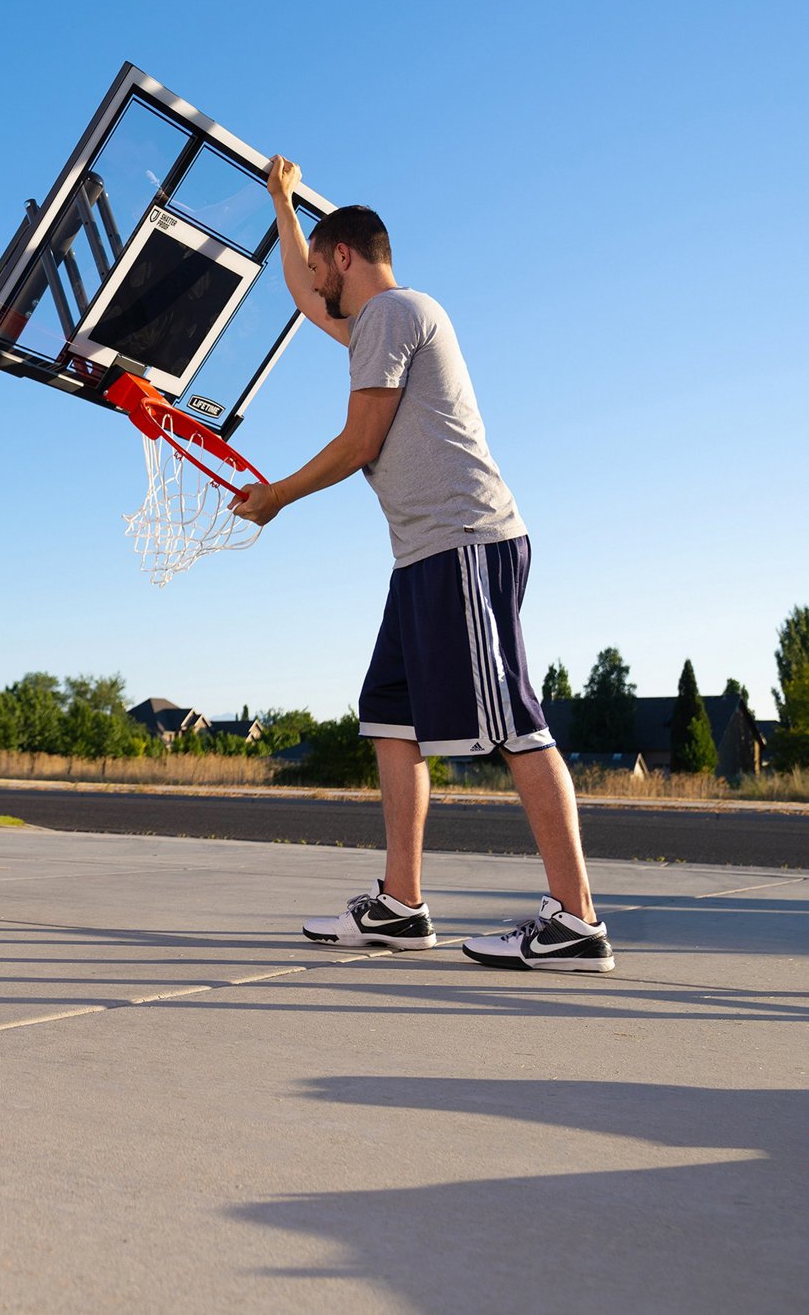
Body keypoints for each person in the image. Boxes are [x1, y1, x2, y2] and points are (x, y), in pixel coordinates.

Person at [230, 157, 614, 973]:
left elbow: (361, 443)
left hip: (466, 543)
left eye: (320, 265)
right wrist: (282, 203)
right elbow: (303, 296)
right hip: (423, 558)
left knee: (512, 722)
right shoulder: (371, 321)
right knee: (390, 715)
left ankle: (576, 921)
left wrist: (278, 496)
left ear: (346, 258)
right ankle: (400, 908)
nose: (315, 286)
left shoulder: (397, 312)